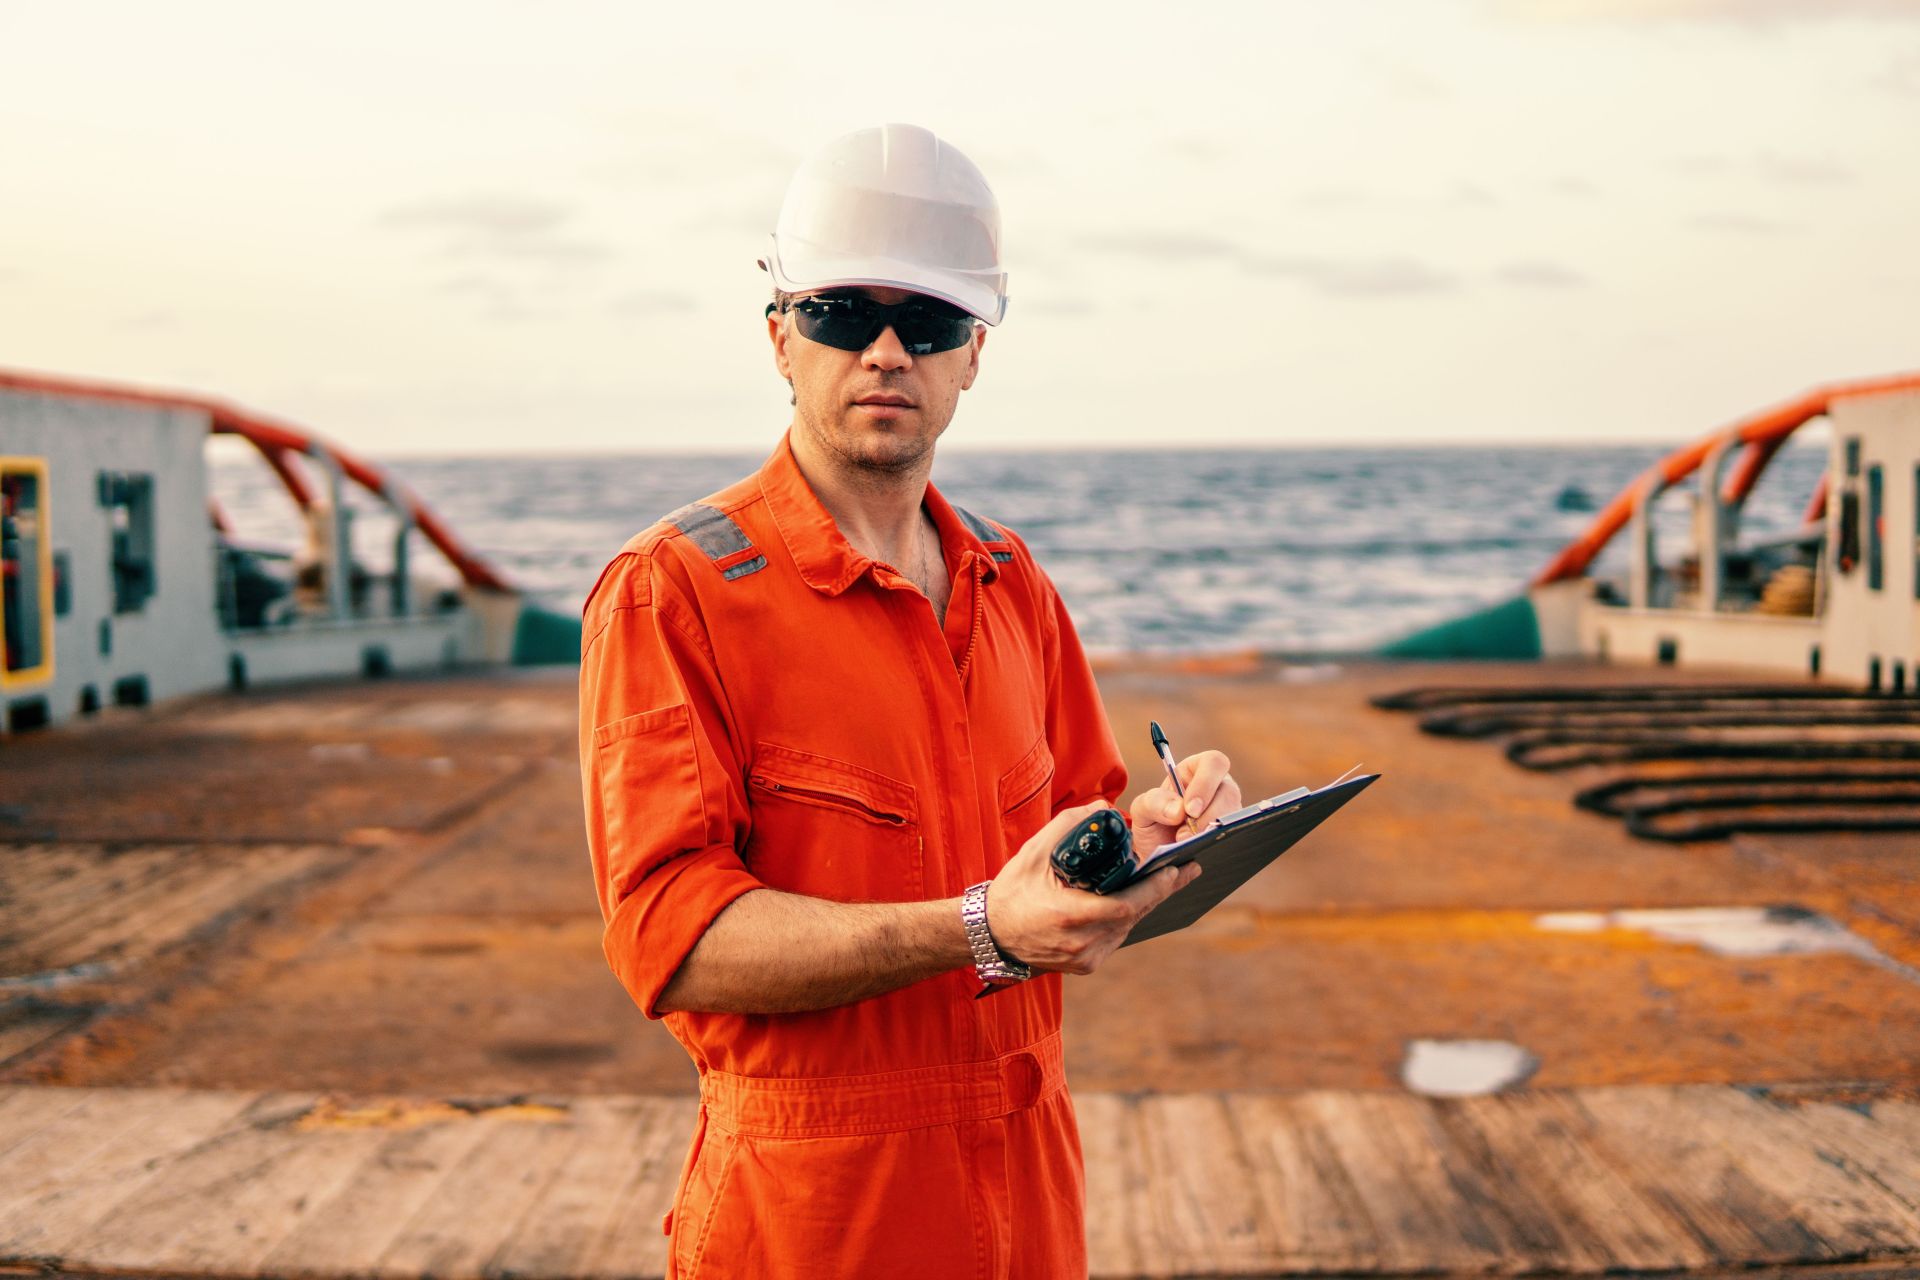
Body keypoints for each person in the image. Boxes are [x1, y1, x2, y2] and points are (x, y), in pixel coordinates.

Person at [579, 123, 1242, 1279]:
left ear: (973, 353)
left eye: (927, 322)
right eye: (844, 314)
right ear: (780, 336)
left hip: (1028, 1196)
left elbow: (1066, 845)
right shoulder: (673, 591)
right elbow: (669, 942)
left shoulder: (1011, 580)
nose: (887, 351)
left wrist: (1141, 836)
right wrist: (979, 926)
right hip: (811, 1218)